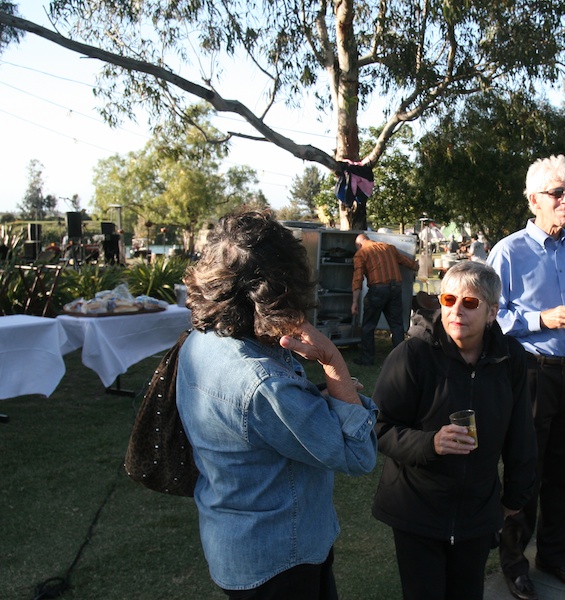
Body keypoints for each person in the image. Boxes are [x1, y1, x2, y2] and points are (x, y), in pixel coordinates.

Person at [177, 207, 379, 599]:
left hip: (235, 544)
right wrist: (332, 362)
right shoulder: (264, 384)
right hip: (283, 561)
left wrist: (313, 401)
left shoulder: (201, 341)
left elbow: (254, 428)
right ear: (280, 289)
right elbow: (359, 454)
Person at [371, 261, 537, 600]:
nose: (456, 310)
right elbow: (377, 426)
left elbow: (521, 433)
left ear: (492, 313)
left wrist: (512, 499)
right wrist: (430, 442)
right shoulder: (413, 354)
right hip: (417, 510)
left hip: (477, 513)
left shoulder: (510, 359)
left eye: (470, 303)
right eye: (448, 300)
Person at [486, 155, 565, 600]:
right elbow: (492, 316)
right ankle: (515, 564)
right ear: (534, 199)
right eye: (557, 193)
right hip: (532, 376)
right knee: (525, 473)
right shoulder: (509, 252)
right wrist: (541, 318)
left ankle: (554, 555)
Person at [351, 233, 417, 366]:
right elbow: (407, 262)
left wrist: (354, 302)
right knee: (397, 325)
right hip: (395, 289)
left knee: (369, 326)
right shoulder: (388, 247)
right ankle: (401, 359)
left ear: (359, 244)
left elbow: (357, 279)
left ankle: (367, 359)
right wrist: (416, 266)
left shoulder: (361, 253)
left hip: (378, 290)